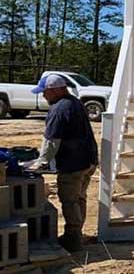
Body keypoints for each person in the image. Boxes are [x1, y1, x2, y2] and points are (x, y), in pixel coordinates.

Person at [24, 74, 98, 252]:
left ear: (56, 90)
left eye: (45, 92)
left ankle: (73, 239)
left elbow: (51, 140)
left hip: (73, 164)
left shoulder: (59, 109)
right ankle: (76, 233)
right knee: (79, 198)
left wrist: (41, 162)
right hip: (88, 160)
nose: (43, 96)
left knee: (70, 201)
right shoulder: (75, 102)